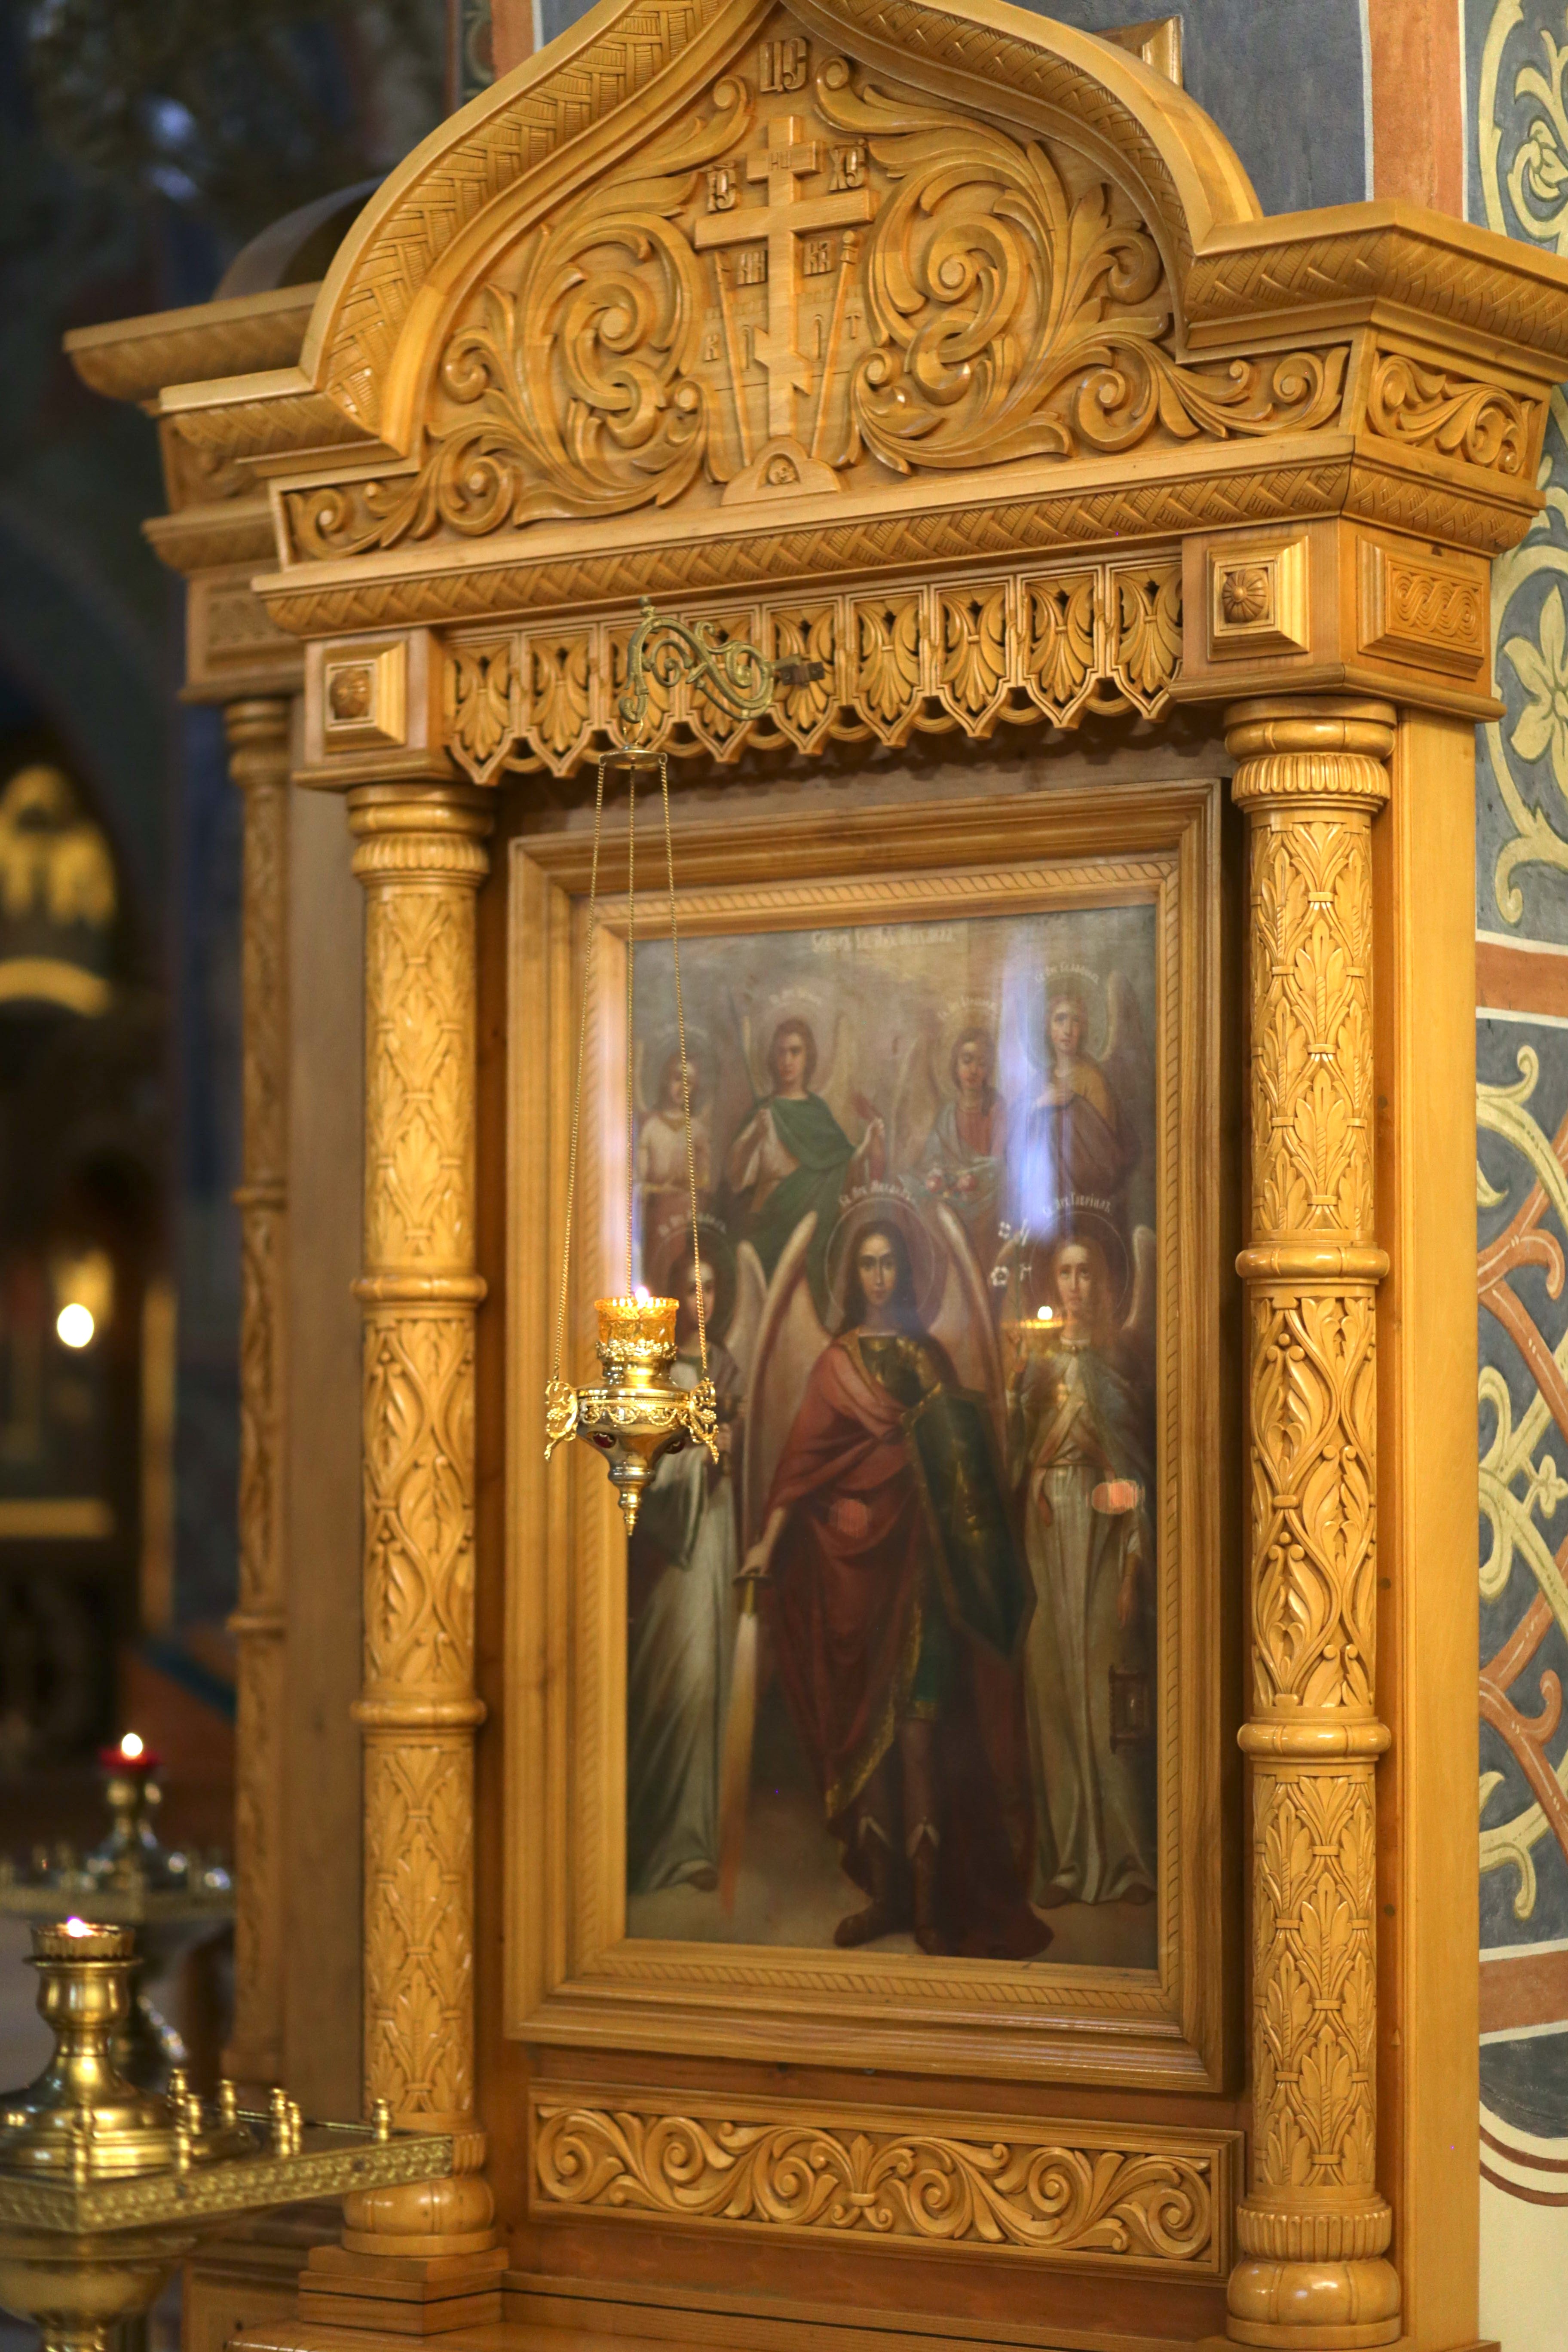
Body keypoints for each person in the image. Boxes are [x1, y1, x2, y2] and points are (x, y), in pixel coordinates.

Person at [742, 1202, 1045, 1959]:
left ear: (905, 1272)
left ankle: (929, 1902)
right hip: (850, 1576)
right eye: (867, 1265)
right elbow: (800, 1468)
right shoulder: (833, 1365)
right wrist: (769, 1544)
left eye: (889, 1264)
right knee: (866, 1747)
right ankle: (885, 1898)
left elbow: (957, 1463)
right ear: (852, 1274)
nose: (878, 1277)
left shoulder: (925, 1359)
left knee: (917, 1732)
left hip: (921, 1570)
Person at [1008, 1227, 1155, 1909]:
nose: (1075, 1286)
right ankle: (1069, 1859)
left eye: (1086, 1273)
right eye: (1065, 1274)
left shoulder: (1115, 1372)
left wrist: (1131, 1559)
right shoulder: (1037, 1372)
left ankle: (1128, 1858)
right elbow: (1015, 1463)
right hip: (1046, 1539)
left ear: (1103, 1283)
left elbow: (1138, 1475)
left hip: (1103, 1541)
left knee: (1104, 1697)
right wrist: (1016, 1401)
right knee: (1057, 1694)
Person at [625, 1235, 744, 1896]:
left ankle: (696, 1842)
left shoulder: (726, 1365)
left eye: (713, 1287)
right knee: (679, 1679)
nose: (703, 1300)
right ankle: (661, 1837)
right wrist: (705, 1455)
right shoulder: (658, 1370)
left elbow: (735, 1451)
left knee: (711, 1679)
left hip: (717, 1530)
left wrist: (727, 1448)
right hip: (675, 1547)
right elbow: (646, 1470)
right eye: (692, 1288)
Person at [723, 1016, 882, 1313]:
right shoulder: (765, 1113)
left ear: (808, 1057)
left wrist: (867, 1145)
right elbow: (735, 1178)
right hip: (768, 1231)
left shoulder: (818, 1111)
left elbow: (842, 1166)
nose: (787, 1061)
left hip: (811, 1237)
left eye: (795, 1052)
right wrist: (754, 1136)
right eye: (781, 1052)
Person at [1013, 989, 1138, 1243]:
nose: (1068, 1030)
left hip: (1085, 1195)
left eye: (1075, 1021)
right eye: (1060, 1020)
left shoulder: (1093, 1078)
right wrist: (1040, 1105)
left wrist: (1072, 1107)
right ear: (1048, 1028)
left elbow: (1104, 1155)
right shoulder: (1040, 1081)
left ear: (1084, 1030)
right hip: (1045, 1196)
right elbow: (1014, 1135)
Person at [916, 1025, 1007, 1271]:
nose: (973, 1070)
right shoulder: (947, 1115)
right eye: (967, 1061)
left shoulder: (996, 1108)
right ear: (955, 1065)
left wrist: (968, 1180)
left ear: (988, 1070)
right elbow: (932, 1161)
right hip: (956, 1196)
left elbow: (998, 1165)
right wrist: (938, 1176)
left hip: (988, 1200)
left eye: (982, 1063)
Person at [636, 1050, 711, 1279]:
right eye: (678, 1079)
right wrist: (660, 1190)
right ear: (666, 1081)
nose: (682, 1088)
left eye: (690, 1083)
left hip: (688, 1219)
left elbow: (705, 1180)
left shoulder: (697, 1130)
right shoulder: (651, 1128)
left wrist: (691, 1186)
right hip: (657, 1217)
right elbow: (639, 1183)